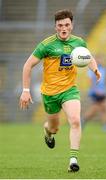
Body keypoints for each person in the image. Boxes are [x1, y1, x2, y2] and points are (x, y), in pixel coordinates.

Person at [19, 9, 101, 172]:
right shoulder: (47, 45)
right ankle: (48, 132)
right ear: (56, 27)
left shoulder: (79, 43)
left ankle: (73, 160)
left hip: (69, 90)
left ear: (72, 25)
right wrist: (25, 90)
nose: (63, 28)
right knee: (54, 127)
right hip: (50, 93)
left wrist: (95, 68)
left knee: (75, 121)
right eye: (60, 25)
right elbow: (28, 65)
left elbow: (87, 56)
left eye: (67, 25)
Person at [82, 54, 106, 131]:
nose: (100, 60)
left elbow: (103, 81)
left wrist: (103, 90)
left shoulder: (103, 69)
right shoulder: (93, 69)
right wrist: (95, 90)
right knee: (96, 108)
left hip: (102, 92)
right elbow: (91, 81)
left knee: (104, 107)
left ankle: (105, 126)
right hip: (96, 92)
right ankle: (84, 119)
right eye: (98, 59)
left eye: (101, 59)